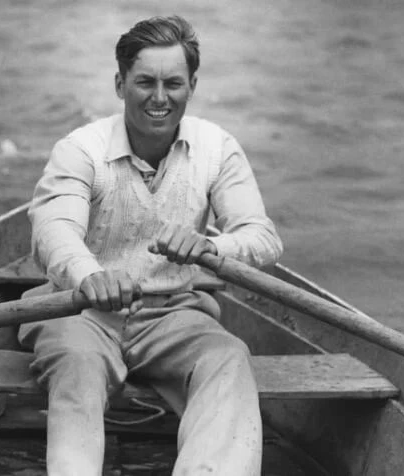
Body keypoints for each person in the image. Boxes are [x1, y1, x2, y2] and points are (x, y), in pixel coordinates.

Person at [22, 15, 283, 476]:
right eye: (145, 82)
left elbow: (262, 237)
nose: (159, 98)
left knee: (229, 359)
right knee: (78, 365)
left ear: (192, 85)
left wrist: (210, 247)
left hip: (175, 313)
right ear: (120, 84)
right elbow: (53, 233)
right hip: (80, 312)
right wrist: (91, 277)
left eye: (173, 84)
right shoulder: (80, 149)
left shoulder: (217, 147)